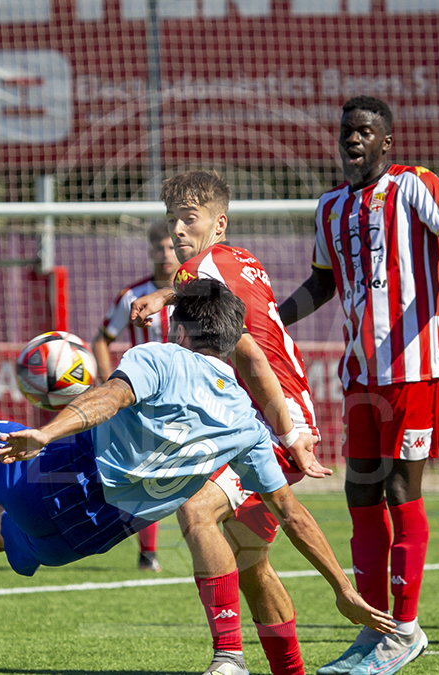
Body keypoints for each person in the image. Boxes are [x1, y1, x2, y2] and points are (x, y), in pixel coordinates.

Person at [0, 279, 394, 674]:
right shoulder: (245, 422)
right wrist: (344, 591)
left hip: (61, 477)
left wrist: (47, 432)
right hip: (88, 537)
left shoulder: (161, 358)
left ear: (182, 328)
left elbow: (110, 398)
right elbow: (293, 515)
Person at [278, 95, 439, 674]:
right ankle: (374, 629)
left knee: (399, 490)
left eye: (366, 131)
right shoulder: (328, 208)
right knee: (360, 495)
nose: (354, 138)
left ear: (386, 141)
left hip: (415, 369)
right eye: (347, 130)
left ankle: (407, 630)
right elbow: (321, 285)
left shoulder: (414, 183)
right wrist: (268, 315)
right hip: (361, 376)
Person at [129, 170, 328, 675]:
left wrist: (164, 297)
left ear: (219, 224)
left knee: (196, 509)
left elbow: (253, 356)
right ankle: (290, 671)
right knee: (249, 563)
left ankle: (230, 658)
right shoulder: (242, 262)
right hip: (261, 416)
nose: (176, 229)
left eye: (188, 218)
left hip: (273, 416)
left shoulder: (201, 268)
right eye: (172, 218)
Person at [91, 219, 178, 572]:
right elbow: (101, 339)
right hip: (146, 397)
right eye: (160, 248)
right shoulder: (133, 295)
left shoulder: (196, 291)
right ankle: (148, 553)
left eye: (172, 247)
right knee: (149, 473)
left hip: (189, 394)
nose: (166, 254)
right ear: (150, 251)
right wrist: (107, 383)